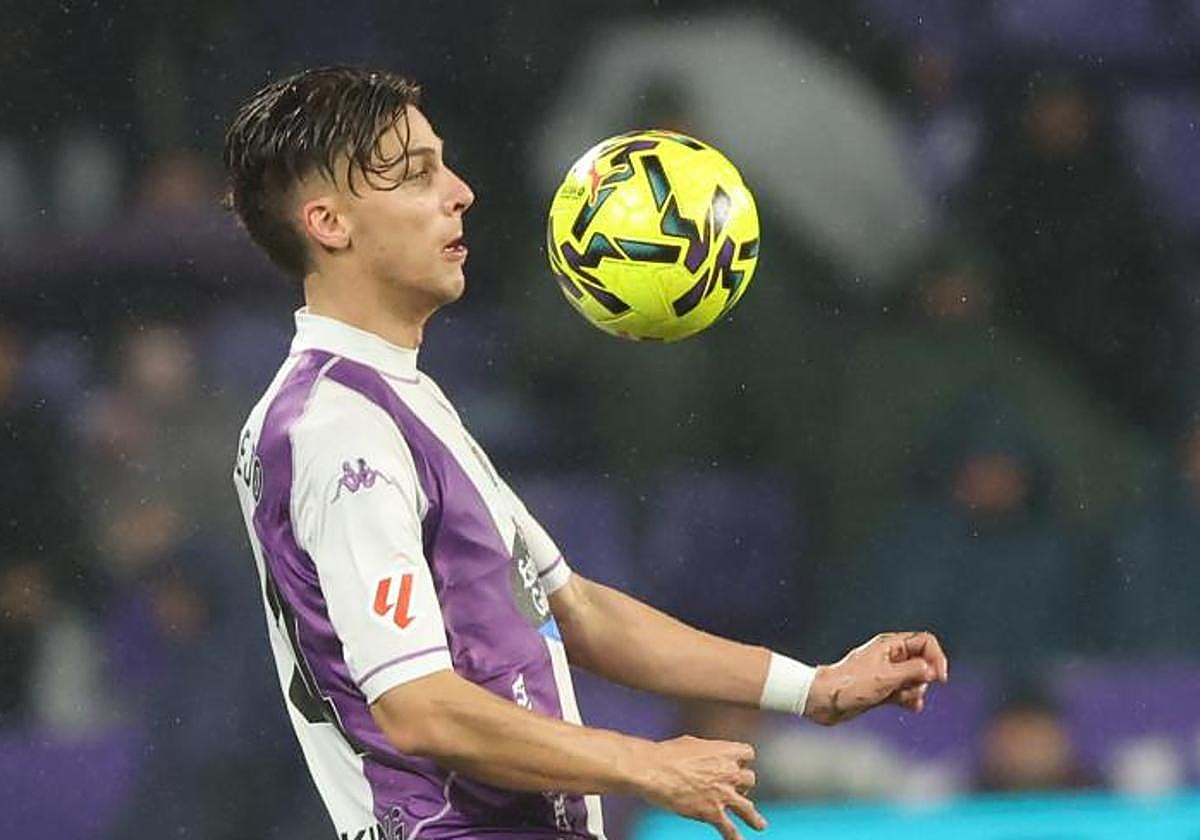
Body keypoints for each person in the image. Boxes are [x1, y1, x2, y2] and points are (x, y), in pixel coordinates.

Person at [223, 66, 949, 840]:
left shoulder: (397, 397)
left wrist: (813, 688)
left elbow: (576, 610)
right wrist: (645, 763)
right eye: (416, 174)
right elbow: (417, 706)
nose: (460, 191)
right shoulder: (336, 429)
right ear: (330, 224)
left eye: (446, 162)